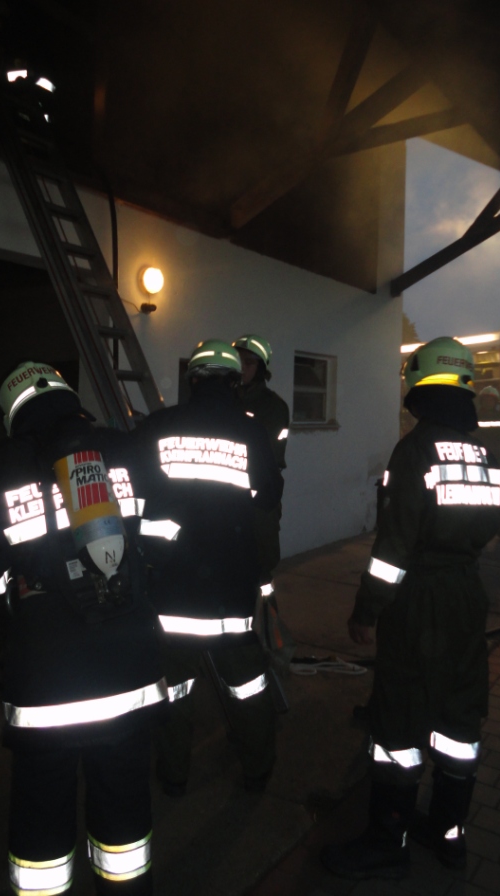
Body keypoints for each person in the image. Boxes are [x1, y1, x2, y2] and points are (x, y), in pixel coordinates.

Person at [0, 361, 166, 895]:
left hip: (46, 683)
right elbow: (167, 532)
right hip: (128, 671)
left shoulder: (0, 466)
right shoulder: (125, 449)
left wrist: (17, 591)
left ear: (14, 413)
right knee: (123, 803)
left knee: (42, 810)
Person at [321, 337, 500, 881]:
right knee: (458, 717)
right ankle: (448, 836)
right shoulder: (484, 454)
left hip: (418, 600)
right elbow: (492, 525)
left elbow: (393, 550)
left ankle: (387, 840)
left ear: (419, 385)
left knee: (399, 721)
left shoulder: (415, 451)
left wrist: (366, 610)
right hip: (468, 596)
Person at [131, 340, 284, 795]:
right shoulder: (250, 431)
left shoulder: (159, 426)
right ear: (235, 382)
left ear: (193, 379)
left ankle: (174, 774)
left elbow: (134, 492)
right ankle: (257, 768)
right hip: (230, 584)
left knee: (174, 688)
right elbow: (269, 497)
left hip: (171, 583)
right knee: (247, 685)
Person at [232, 334, 290, 583]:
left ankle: (265, 605)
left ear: (261, 369)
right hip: (228, 497)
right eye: (239, 362)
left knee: (261, 563)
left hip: (260, 497)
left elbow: (266, 456)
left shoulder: (273, 406)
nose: (242, 368)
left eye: (249, 363)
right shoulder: (226, 399)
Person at [474, 385, 500, 540]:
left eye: (491, 400)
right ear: (482, 401)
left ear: (496, 402)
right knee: (481, 497)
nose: (488, 402)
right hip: (482, 464)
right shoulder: (475, 418)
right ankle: (481, 527)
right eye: (486, 400)